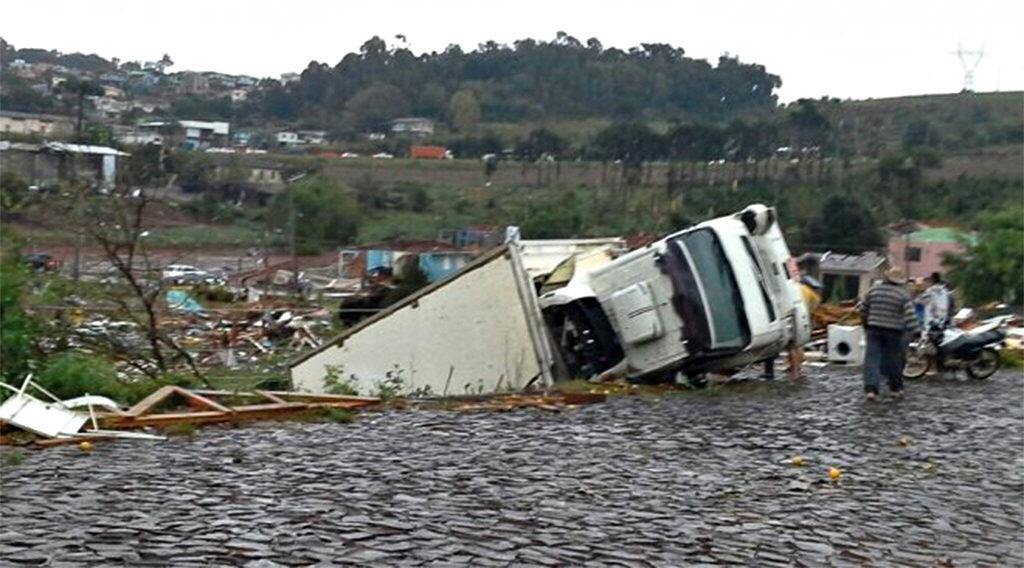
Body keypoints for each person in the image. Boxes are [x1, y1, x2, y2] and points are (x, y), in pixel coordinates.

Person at [859, 267, 920, 400]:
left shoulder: (873, 291)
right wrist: (916, 331)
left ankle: (871, 389)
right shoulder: (903, 295)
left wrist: (866, 323)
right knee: (893, 360)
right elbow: (910, 316)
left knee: (871, 359)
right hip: (894, 331)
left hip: (874, 328)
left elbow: (863, 309)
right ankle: (895, 388)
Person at [786, 275, 823, 380]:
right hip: (804, 318)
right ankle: (797, 366)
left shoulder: (792, 288)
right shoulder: (808, 291)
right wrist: (809, 311)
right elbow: (817, 302)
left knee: (792, 345)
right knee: (799, 344)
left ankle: (794, 369)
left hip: (792, 318)